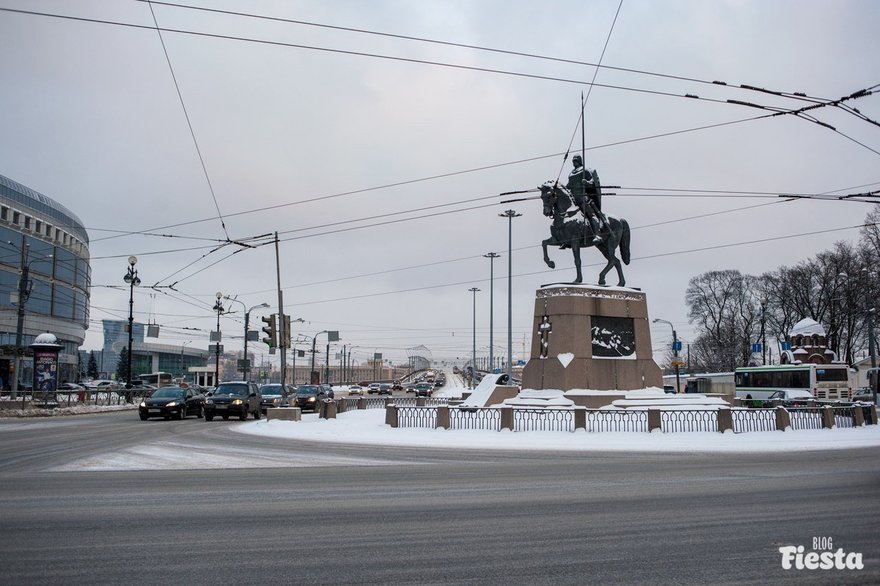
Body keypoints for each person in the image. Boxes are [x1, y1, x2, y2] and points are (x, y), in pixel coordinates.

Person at [566, 154, 605, 244]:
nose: (574, 162)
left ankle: (597, 234)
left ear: (579, 161)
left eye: (575, 160)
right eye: (573, 161)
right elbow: (569, 184)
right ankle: (567, 237)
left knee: (591, 214)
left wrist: (587, 182)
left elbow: (593, 181)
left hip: (583, 198)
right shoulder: (571, 173)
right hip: (573, 200)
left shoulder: (585, 170)